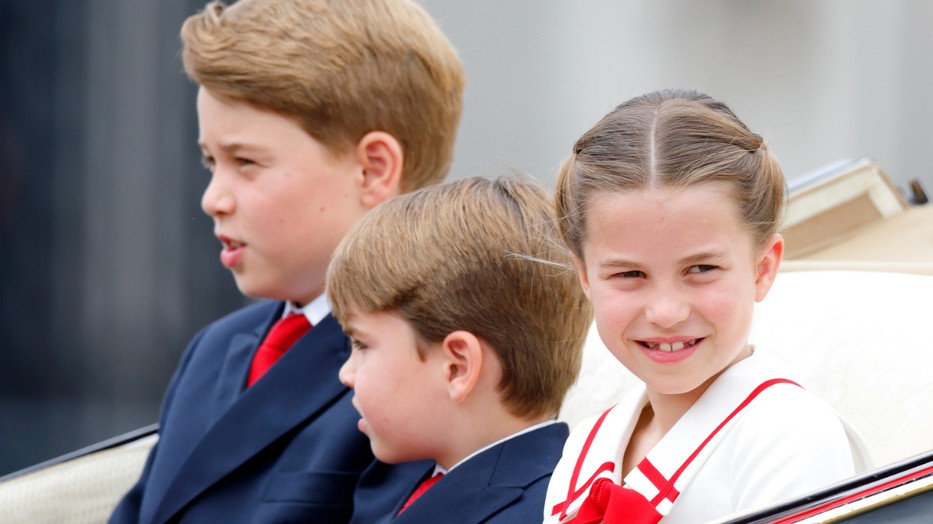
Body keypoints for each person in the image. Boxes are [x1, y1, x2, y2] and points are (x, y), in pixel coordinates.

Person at [109, 0, 465, 522]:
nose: (213, 198)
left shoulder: (434, 370)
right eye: (211, 161)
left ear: (372, 170)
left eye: (246, 162)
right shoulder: (213, 351)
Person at [543, 89, 873, 524]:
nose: (666, 311)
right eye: (628, 275)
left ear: (762, 268)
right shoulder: (584, 451)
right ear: (584, 276)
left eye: (701, 268)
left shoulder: (789, 436)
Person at [326, 176, 593, 523]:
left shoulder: (545, 512)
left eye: (362, 344)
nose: (345, 374)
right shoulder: (399, 480)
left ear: (457, 367)